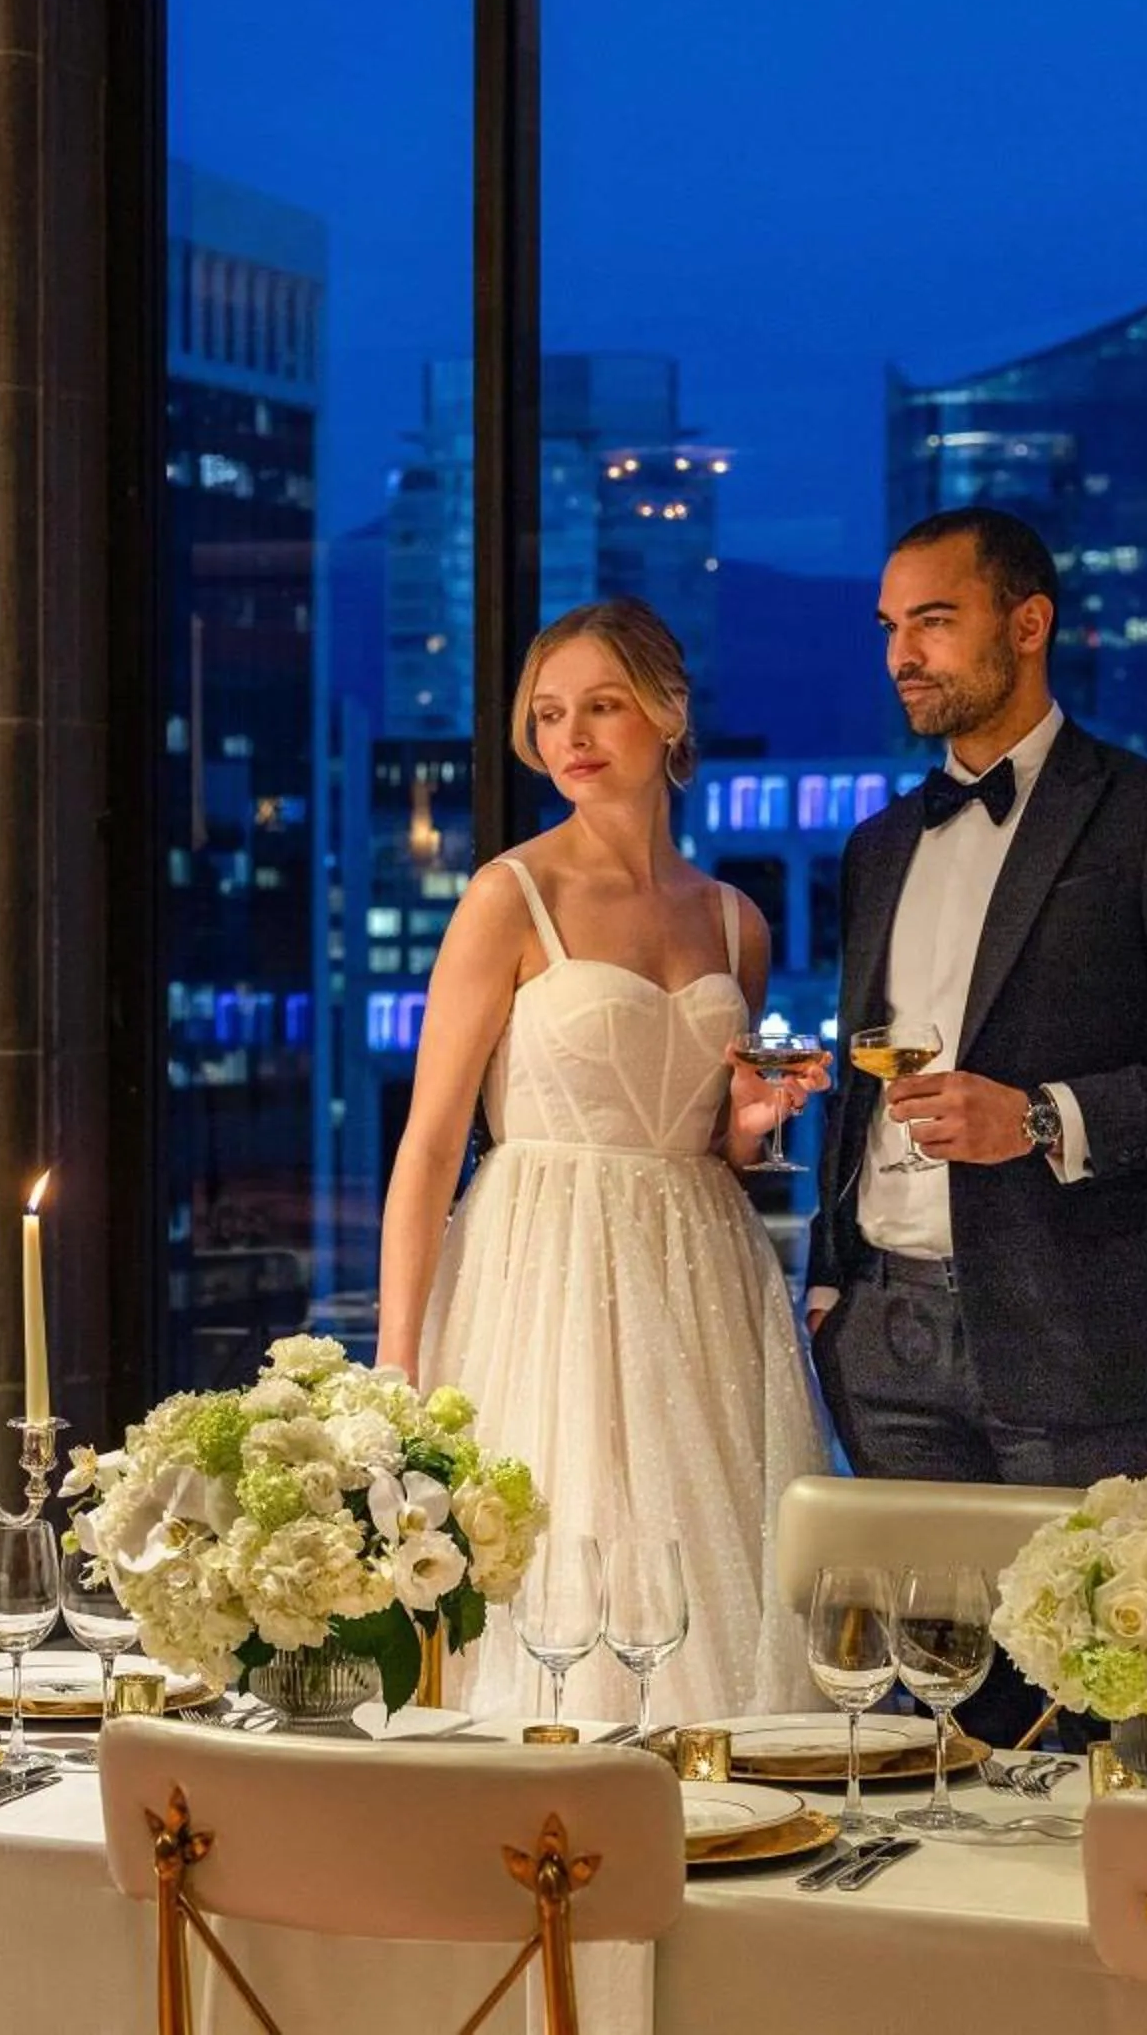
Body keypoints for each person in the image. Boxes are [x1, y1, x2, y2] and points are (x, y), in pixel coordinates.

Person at [383, 598, 825, 1724]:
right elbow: (432, 1142)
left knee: (706, 1564)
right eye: (549, 714)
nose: (571, 735)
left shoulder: (737, 923)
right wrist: (395, 1373)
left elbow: (715, 1141)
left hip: (700, 1274)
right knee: (559, 1565)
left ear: (670, 715)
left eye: (603, 705)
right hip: (544, 1268)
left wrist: (754, 1118)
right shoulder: (508, 896)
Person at [809, 504, 1147, 1509]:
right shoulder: (879, 846)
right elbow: (865, 1081)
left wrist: (1038, 1118)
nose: (903, 654)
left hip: (1084, 1339)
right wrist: (830, 1286)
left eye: (935, 621)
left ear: (1028, 626)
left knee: (1093, 1663)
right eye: (890, 628)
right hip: (881, 1342)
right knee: (936, 1669)